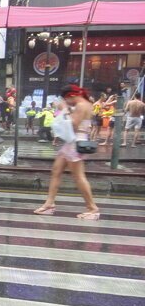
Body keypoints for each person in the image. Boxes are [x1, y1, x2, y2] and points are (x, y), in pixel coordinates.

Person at [34, 85, 99, 220]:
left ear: (71, 96)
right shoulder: (84, 104)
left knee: (78, 177)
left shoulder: (82, 105)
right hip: (72, 142)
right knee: (56, 171)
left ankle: (92, 208)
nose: (67, 102)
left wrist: (64, 110)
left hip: (75, 142)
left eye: (66, 99)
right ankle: (49, 204)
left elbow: (74, 124)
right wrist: (67, 109)